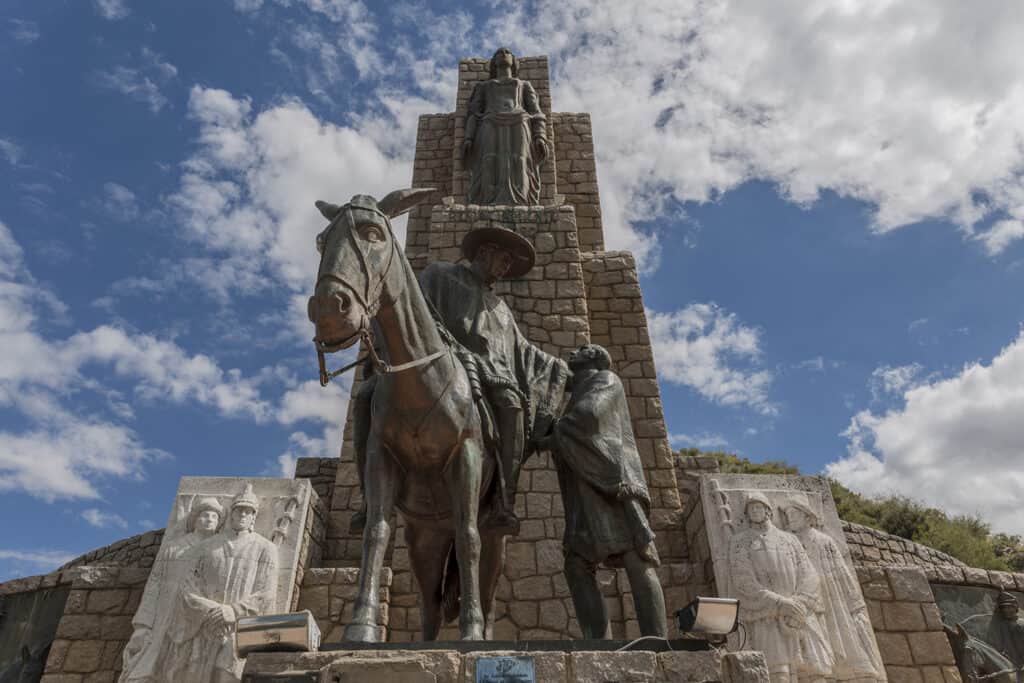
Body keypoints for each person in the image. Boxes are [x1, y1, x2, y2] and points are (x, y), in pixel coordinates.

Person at [418, 225, 568, 535]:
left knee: (511, 403)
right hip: (441, 363)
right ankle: (369, 500)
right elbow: (421, 314)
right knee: (371, 395)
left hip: (491, 374)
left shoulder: (501, 309)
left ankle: (503, 498)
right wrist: (453, 349)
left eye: (510, 264)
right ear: (484, 253)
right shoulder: (440, 275)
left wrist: (559, 369)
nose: (506, 268)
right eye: (504, 260)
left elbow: (523, 351)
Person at [542, 344, 666, 638]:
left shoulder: (606, 380)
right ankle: (598, 643)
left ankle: (657, 639)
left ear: (596, 359)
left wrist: (550, 434)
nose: (574, 351)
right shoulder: (577, 392)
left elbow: (589, 416)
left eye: (583, 349)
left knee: (637, 556)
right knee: (576, 564)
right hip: (584, 491)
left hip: (612, 483)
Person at [163, 484, 279, 683]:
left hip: (238, 631)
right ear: (231, 514)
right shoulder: (206, 546)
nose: (243, 514)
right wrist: (210, 610)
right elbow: (188, 585)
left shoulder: (266, 548)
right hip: (203, 627)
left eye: (248, 511)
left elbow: (266, 593)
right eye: (239, 510)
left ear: (253, 517)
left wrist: (233, 611)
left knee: (226, 676)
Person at [728, 492, 835, 683]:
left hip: (800, 613)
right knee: (779, 673)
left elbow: (809, 574)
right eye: (750, 509)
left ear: (768, 511)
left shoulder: (790, 539)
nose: (754, 511)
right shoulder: (740, 541)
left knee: (815, 672)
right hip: (766, 615)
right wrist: (778, 603)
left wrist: (799, 602)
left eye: (758, 507)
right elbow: (743, 580)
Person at [120, 496, 224, 683]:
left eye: (214, 517)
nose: (209, 519)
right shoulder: (174, 547)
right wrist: (144, 621)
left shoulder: (220, 549)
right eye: (204, 515)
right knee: (150, 661)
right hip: (166, 611)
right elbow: (155, 583)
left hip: (198, 613)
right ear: (195, 519)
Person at [783, 499, 885, 682]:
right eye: (788, 515)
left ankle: (854, 672)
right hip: (806, 596)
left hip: (831, 593)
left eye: (794, 514)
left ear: (807, 517)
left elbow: (842, 571)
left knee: (841, 632)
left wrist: (855, 604)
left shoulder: (824, 541)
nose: (790, 518)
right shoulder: (789, 543)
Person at [463, 47, 549, 205]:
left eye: (507, 52)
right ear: (494, 62)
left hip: (519, 121)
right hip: (490, 121)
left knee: (521, 160)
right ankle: (487, 202)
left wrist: (540, 136)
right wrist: (469, 136)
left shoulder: (523, 85)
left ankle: (521, 201)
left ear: (513, 61)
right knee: (488, 161)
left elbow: (536, 112)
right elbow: (474, 113)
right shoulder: (484, 86)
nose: (503, 54)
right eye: (499, 53)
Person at [961, 591, 1024, 668]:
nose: (1006, 610)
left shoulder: (1021, 624)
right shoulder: (1000, 624)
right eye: (1003, 608)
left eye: (1009, 607)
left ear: (1016, 607)